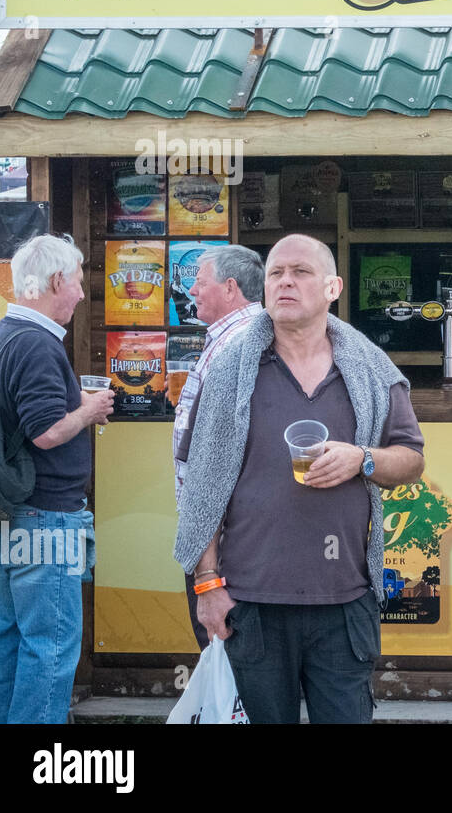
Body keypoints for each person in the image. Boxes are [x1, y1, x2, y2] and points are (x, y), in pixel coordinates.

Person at [173, 234, 425, 723]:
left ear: (333, 287)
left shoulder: (371, 370)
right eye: (275, 273)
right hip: (252, 602)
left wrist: (362, 459)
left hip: (345, 600)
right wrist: (207, 585)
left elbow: (410, 459)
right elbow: (201, 486)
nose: (285, 281)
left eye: (301, 272)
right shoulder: (228, 371)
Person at [0, 234, 114, 724]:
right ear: (57, 280)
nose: (82, 294)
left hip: (9, 514)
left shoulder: (0, 333)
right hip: (46, 518)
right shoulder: (38, 345)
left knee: (9, 642)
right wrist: (88, 409)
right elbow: (45, 433)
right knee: (51, 649)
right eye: (79, 282)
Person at [172, 245, 264, 650]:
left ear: (230, 288)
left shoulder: (243, 342)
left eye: (200, 281)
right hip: (215, 527)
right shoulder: (231, 337)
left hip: (227, 534)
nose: (191, 289)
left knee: (229, 650)